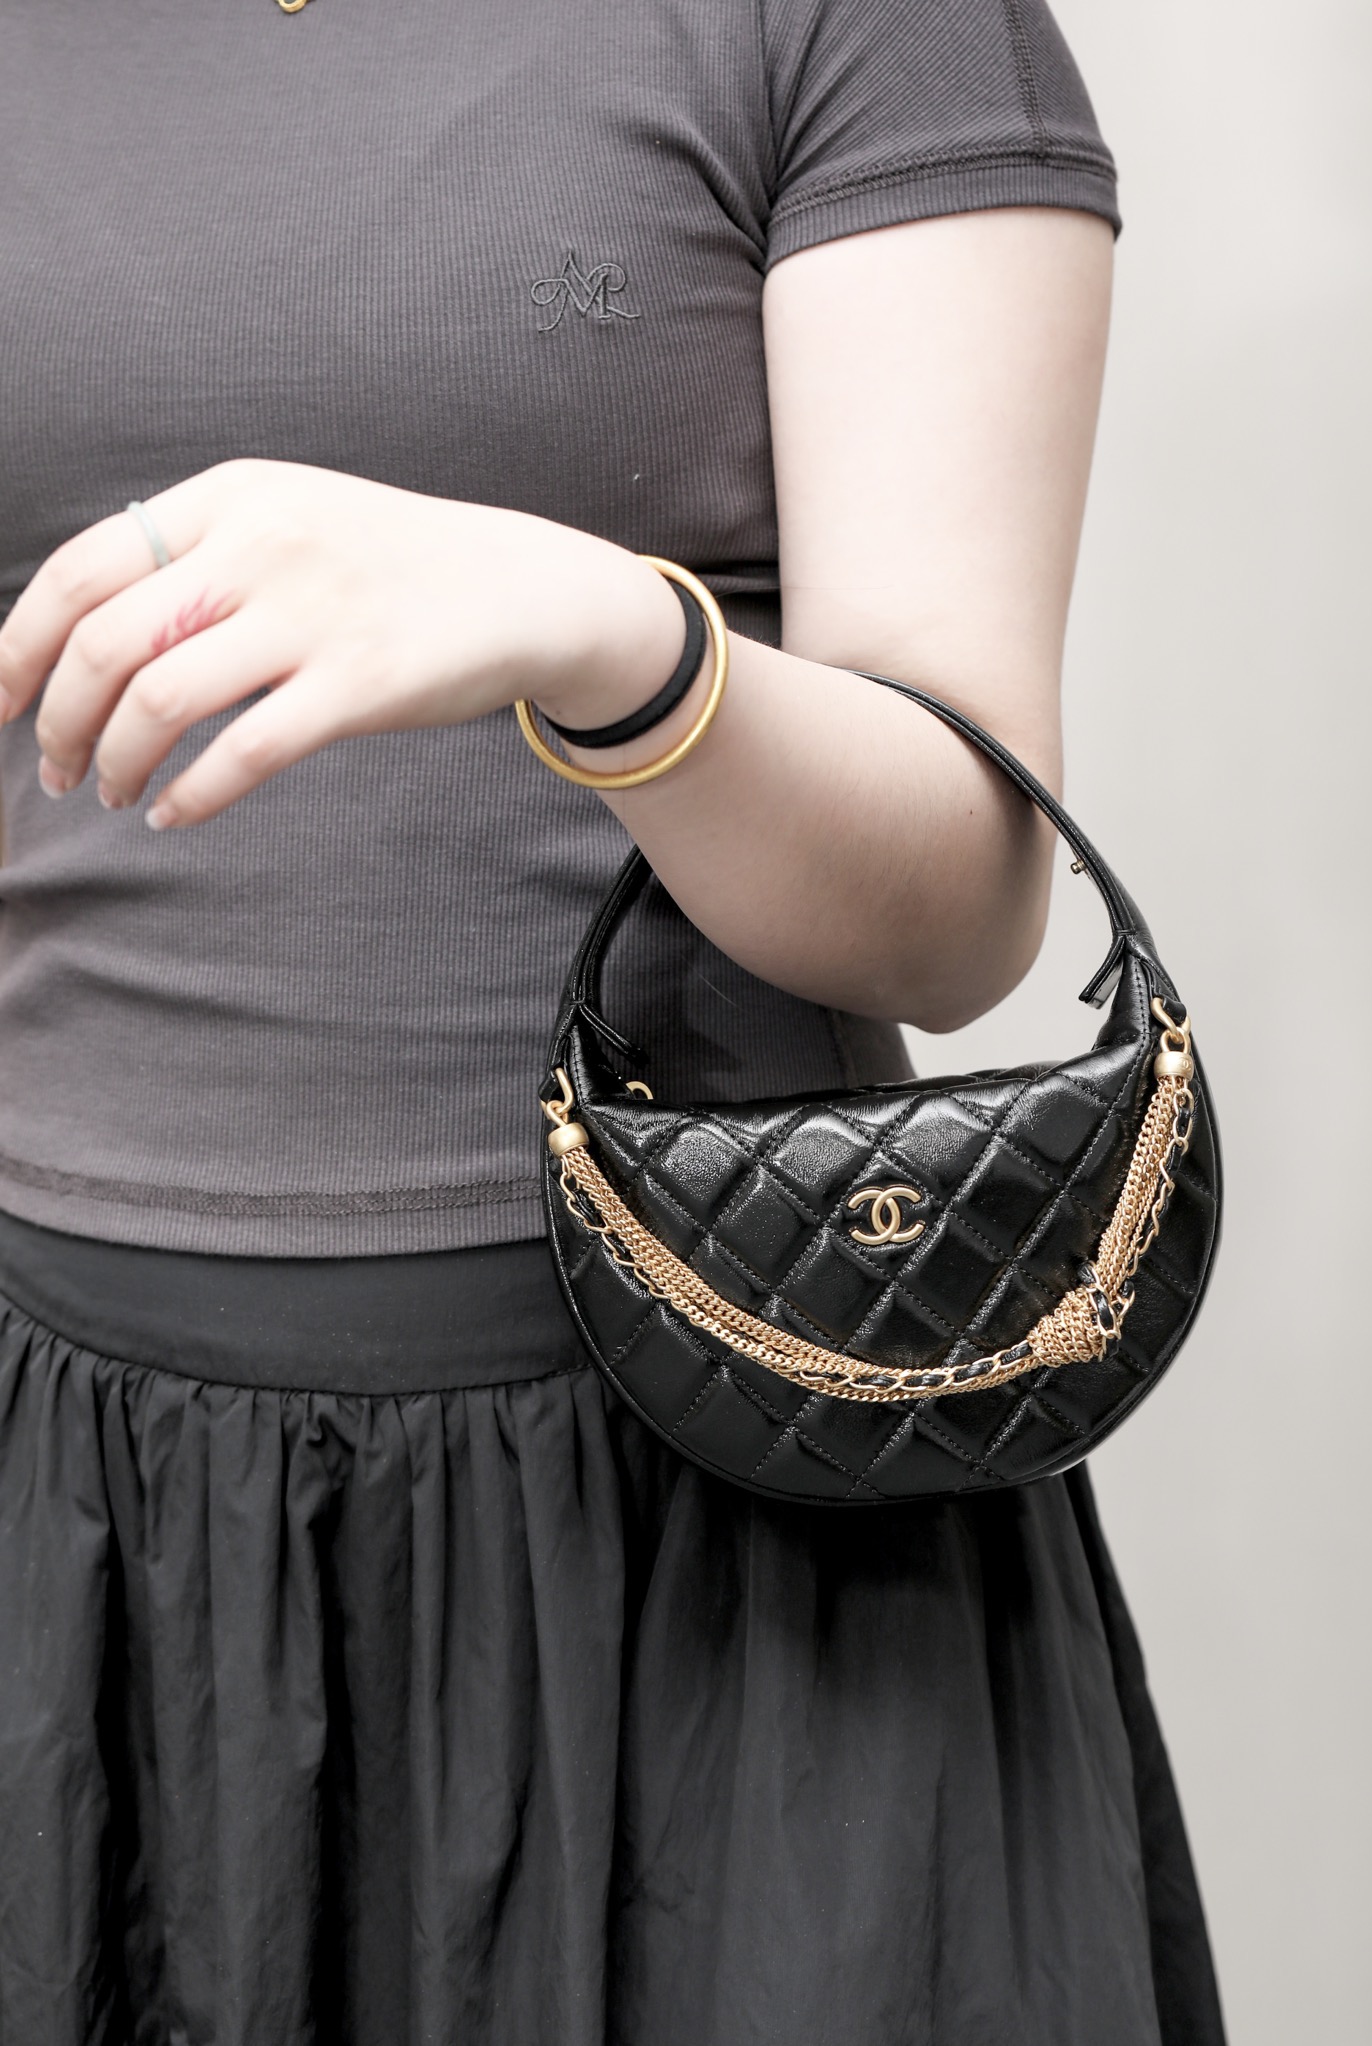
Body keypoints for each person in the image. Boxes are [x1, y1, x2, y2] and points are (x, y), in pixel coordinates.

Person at [0, 1, 1225, 2040]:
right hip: (73, 1523)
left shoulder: (859, 27)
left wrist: (606, 639)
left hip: (711, 1518)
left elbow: (958, 910)